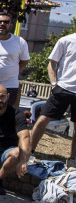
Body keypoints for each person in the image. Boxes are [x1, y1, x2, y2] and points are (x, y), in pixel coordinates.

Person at [29, 30, 76, 169]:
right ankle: (29, 151)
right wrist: (54, 83)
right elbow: (52, 63)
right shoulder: (66, 40)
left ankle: (72, 159)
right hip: (63, 87)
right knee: (42, 120)